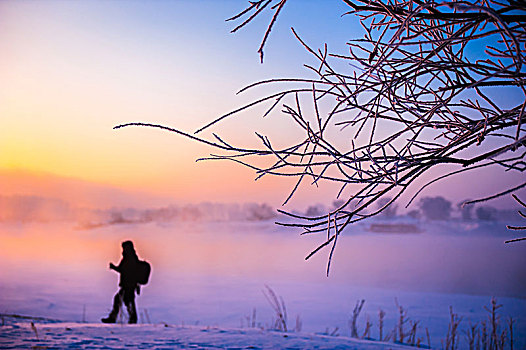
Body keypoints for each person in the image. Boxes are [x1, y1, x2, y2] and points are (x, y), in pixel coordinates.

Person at [101, 240, 141, 324]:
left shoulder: (130, 258)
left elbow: (124, 270)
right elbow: (123, 270)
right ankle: (128, 319)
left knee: (126, 301)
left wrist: (113, 267)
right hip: (128, 284)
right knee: (125, 300)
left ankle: (130, 319)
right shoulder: (130, 257)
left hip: (129, 285)